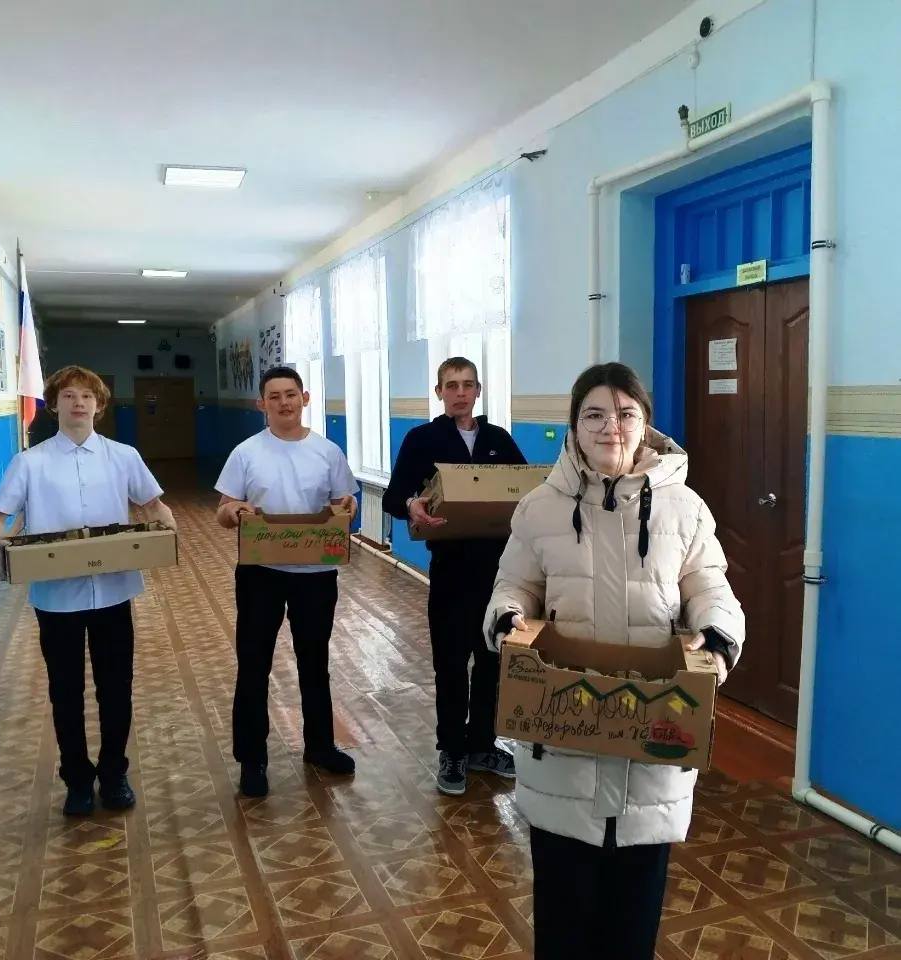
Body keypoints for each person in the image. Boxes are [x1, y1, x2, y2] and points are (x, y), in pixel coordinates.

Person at [484, 362, 745, 959]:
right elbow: (513, 586)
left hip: (652, 746)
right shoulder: (539, 508)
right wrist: (507, 617)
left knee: (632, 925)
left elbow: (711, 586)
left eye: (625, 414)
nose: (611, 427)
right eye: (594, 415)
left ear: (645, 423)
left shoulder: (685, 508)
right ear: (574, 426)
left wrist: (717, 632)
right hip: (561, 745)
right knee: (563, 922)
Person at [0, 365, 176, 817]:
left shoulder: (123, 456)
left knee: (116, 688)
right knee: (65, 691)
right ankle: (76, 780)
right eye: (68, 395)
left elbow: (153, 505)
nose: (78, 403)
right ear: (54, 405)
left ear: (100, 405)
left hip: (114, 592)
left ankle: (114, 774)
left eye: (87, 396)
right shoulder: (29, 463)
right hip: (55, 599)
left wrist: (169, 535)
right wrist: (4, 553)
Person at [383, 357, 526, 795]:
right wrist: (411, 505)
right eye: (451, 385)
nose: (460, 393)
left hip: (497, 571)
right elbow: (394, 496)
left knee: (491, 660)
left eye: (467, 385)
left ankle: (482, 744)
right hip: (449, 569)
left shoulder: (499, 440)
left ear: (478, 390)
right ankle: (451, 749)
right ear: (439, 392)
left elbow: (524, 494)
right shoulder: (423, 439)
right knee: (450, 663)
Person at [215, 366, 358, 798]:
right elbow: (223, 510)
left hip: (316, 575)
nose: (284, 403)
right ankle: (252, 759)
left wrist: (348, 508)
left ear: (305, 398)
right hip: (260, 574)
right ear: (262, 403)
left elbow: (344, 506)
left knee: (314, 662)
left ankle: (320, 746)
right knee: (253, 664)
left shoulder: (327, 452)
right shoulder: (246, 453)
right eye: (274, 396)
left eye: (291, 394)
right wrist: (234, 511)